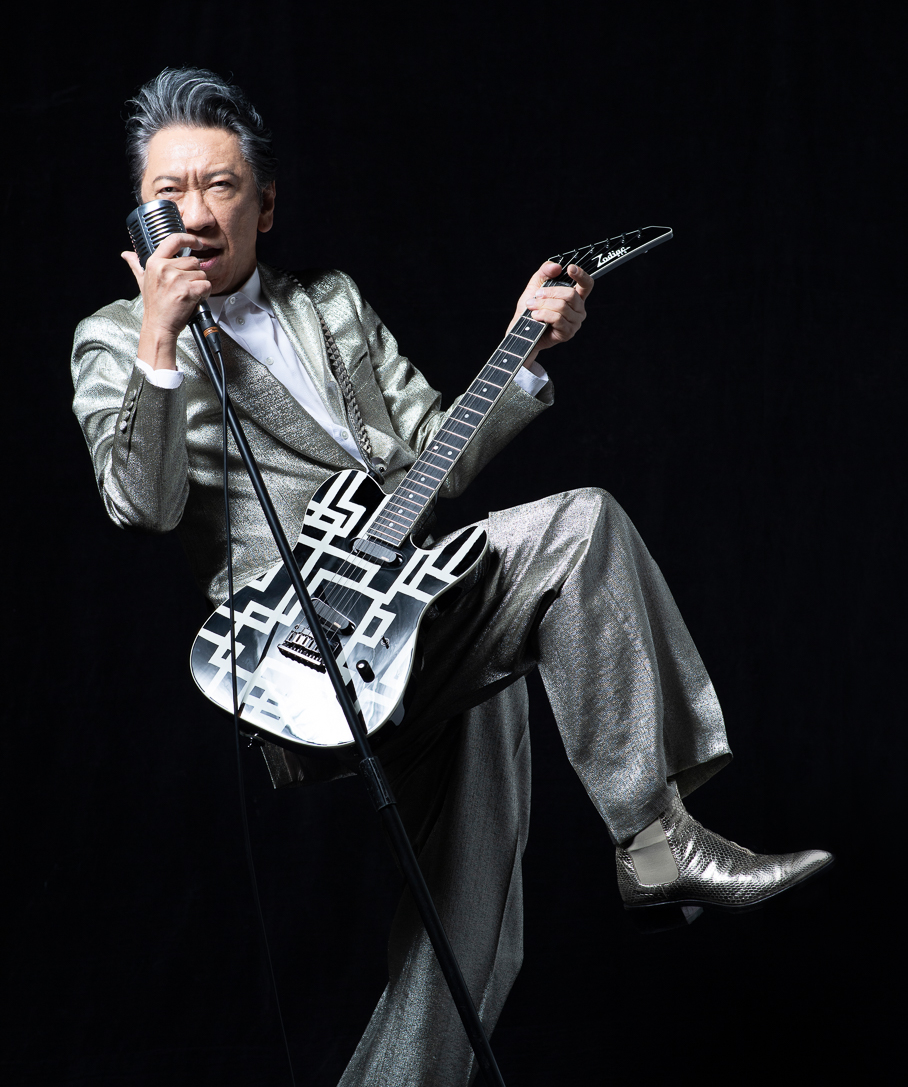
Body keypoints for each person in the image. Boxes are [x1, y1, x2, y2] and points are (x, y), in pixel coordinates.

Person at [71, 68, 832, 1086]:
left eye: (220, 185)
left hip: (426, 606)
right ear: (139, 213)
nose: (195, 215)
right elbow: (143, 505)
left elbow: (432, 454)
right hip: (305, 653)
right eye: (168, 192)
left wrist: (523, 348)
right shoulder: (114, 341)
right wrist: (161, 337)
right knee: (579, 524)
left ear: (265, 202)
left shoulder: (331, 304)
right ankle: (654, 843)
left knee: (473, 940)